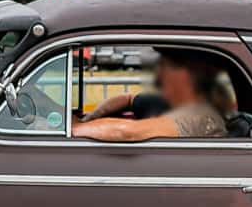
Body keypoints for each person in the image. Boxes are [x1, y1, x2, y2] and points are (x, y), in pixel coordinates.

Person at [73, 50, 229, 141]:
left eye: (165, 68)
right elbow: (127, 99)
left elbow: (127, 132)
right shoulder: (168, 103)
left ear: (185, 76)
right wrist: (90, 118)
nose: (159, 76)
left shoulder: (198, 115)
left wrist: (77, 127)